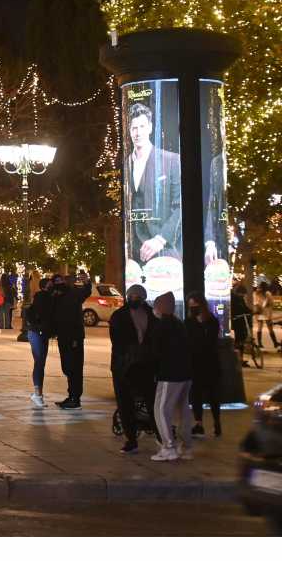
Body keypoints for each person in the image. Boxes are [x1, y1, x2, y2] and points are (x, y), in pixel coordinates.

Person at [124, 102, 183, 264]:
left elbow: (181, 206)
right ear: (129, 131)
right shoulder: (125, 165)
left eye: (142, 126)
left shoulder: (171, 161)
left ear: (150, 127)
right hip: (132, 254)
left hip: (163, 249)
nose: (138, 133)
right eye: (134, 128)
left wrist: (160, 239)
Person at [108, 284, 157, 453]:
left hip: (144, 365)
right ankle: (131, 439)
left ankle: (159, 434)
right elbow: (117, 341)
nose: (134, 299)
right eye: (132, 296)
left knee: (152, 401)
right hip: (124, 366)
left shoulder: (151, 314)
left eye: (138, 297)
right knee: (125, 403)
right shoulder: (119, 316)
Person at [149, 292, 193, 462]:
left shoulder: (162, 326)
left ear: (160, 308)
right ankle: (186, 446)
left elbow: (156, 352)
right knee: (183, 410)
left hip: (169, 375)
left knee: (161, 410)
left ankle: (168, 447)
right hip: (185, 374)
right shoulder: (179, 324)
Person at [49, 271, 92, 409]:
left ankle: (75, 398)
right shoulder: (57, 296)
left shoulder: (73, 294)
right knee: (68, 366)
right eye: (56, 281)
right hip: (64, 336)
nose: (59, 284)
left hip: (74, 337)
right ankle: (72, 395)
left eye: (61, 281)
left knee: (74, 367)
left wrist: (87, 282)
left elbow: (86, 291)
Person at [185, 296, 222, 438]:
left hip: (210, 363)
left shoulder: (211, 321)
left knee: (213, 395)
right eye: (190, 306)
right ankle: (199, 424)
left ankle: (217, 422)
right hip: (195, 364)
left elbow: (211, 341)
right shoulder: (189, 322)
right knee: (196, 395)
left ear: (202, 305)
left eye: (195, 305)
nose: (193, 308)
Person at [24, 276, 53, 408]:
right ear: (44, 286)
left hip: (41, 332)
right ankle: (38, 394)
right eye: (50, 284)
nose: (52, 286)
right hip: (37, 332)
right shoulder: (43, 297)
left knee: (40, 362)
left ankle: (38, 394)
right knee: (40, 362)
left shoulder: (47, 297)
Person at [253, 281, 279, 351]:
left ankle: (260, 344)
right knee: (270, 328)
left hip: (259, 312)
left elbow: (255, 303)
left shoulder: (256, 293)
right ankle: (275, 343)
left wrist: (259, 307)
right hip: (266, 312)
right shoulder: (267, 293)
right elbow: (272, 303)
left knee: (259, 328)